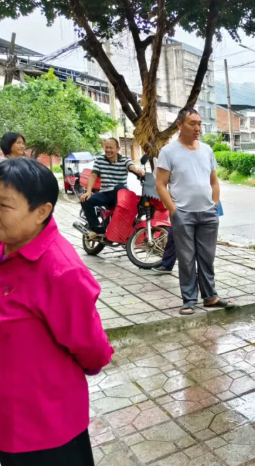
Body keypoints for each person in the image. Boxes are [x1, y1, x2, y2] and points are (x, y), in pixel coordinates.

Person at [0, 158, 113, 466]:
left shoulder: (61, 271)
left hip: (43, 419)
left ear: (42, 212)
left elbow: (91, 346)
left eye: (5, 205)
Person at [156, 108, 233, 315]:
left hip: (208, 213)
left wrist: (214, 205)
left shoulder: (206, 150)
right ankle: (189, 299)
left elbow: (214, 181)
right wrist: (174, 210)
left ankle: (210, 297)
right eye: (192, 123)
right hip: (183, 213)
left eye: (199, 123)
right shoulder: (168, 152)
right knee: (186, 258)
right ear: (179, 125)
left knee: (207, 257)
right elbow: (161, 185)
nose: (197, 128)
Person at [79, 138, 144, 237]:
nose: (108, 150)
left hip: (121, 194)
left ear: (118, 149)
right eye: (106, 147)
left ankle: (120, 224)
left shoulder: (124, 160)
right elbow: (93, 176)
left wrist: (137, 171)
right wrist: (88, 192)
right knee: (85, 200)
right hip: (105, 194)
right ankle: (97, 229)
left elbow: (131, 166)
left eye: (111, 148)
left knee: (119, 187)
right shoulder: (99, 160)